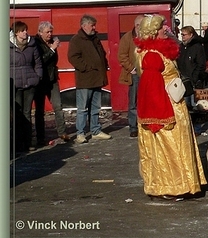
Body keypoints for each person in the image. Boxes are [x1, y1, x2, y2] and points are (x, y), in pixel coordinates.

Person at [134, 14, 207, 200]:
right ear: (152, 32)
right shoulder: (151, 55)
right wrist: (158, 118)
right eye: (160, 28)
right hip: (164, 109)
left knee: (177, 147)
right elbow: (150, 90)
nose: (165, 30)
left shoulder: (160, 51)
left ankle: (183, 184)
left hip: (174, 105)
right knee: (169, 149)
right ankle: (169, 188)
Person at [67, 14, 111, 144]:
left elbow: (101, 54)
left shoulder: (94, 38)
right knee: (83, 108)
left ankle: (96, 130)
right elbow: (73, 57)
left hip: (97, 78)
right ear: (84, 25)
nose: (94, 27)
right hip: (85, 79)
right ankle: (80, 134)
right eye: (92, 25)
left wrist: (104, 65)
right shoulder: (76, 40)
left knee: (96, 107)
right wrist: (87, 68)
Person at [10, 21, 43, 151]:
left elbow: (38, 62)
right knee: (17, 115)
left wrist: (37, 77)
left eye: (26, 30)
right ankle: (18, 144)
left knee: (27, 113)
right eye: (22, 30)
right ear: (16, 32)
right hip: (15, 84)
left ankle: (28, 142)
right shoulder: (8, 45)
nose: (25, 32)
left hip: (30, 83)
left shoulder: (32, 44)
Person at [34, 21, 68, 144]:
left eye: (51, 31)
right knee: (40, 110)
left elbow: (53, 61)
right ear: (40, 32)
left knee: (58, 106)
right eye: (47, 32)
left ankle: (62, 132)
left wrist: (53, 49)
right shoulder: (36, 44)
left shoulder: (52, 42)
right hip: (41, 80)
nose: (50, 34)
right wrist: (52, 49)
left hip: (52, 79)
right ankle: (40, 137)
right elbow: (40, 60)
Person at [118, 15, 144, 138]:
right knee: (133, 102)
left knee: (145, 100)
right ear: (137, 25)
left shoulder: (147, 37)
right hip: (134, 74)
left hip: (146, 73)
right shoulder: (127, 38)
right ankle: (133, 127)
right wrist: (131, 69)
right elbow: (122, 56)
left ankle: (144, 125)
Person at [176, 25, 207, 109]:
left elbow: (201, 64)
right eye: (181, 34)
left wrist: (195, 77)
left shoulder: (197, 47)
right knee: (184, 106)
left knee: (192, 105)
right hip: (182, 80)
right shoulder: (181, 46)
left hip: (192, 80)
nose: (182, 36)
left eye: (184, 35)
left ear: (191, 35)